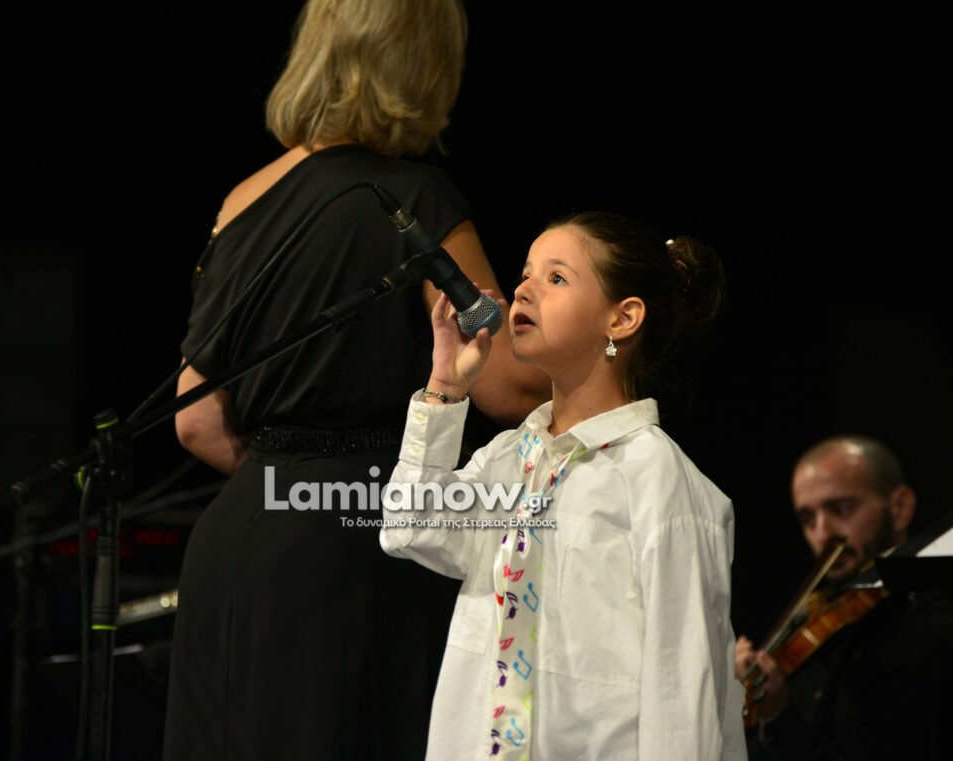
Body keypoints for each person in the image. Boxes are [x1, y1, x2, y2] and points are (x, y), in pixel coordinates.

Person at [162, 1, 550, 759]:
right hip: (352, 548)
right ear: (425, 63)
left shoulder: (241, 199)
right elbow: (509, 386)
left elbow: (195, 420)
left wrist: (285, 488)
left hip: (232, 546)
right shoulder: (414, 199)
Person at [381, 212, 748, 759]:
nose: (524, 290)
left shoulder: (658, 480)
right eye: (525, 274)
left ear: (622, 318)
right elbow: (409, 528)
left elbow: (682, 688)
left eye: (556, 278)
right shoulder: (509, 457)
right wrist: (445, 386)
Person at [735, 436, 953, 760]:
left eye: (840, 509)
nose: (822, 533)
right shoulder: (833, 617)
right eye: (808, 519)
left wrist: (780, 717)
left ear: (899, 508)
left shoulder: (929, 626)